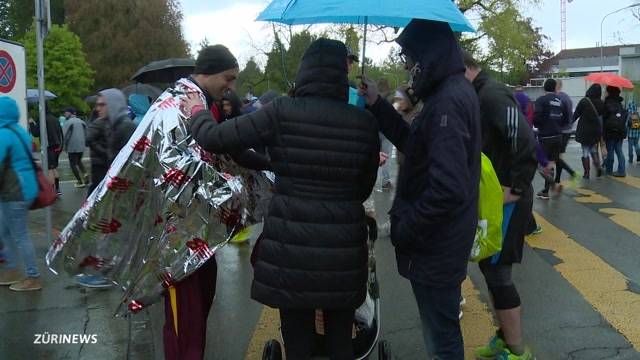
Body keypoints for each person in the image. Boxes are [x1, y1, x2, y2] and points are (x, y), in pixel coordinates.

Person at [185, 38, 380, 360]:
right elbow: (363, 188)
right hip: (343, 249)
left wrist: (197, 111)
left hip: (291, 249)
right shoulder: (365, 123)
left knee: (298, 341)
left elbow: (214, 138)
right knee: (340, 342)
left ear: (304, 72)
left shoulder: (281, 112)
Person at [359, 19, 481, 359]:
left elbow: (448, 189)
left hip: (436, 244)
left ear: (428, 55)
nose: (408, 67)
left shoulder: (447, 103)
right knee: (439, 331)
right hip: (441, 242)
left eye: (409, 58)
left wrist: (406, 227)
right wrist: (378, 104)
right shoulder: (447, 94)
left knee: (441, 340)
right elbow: (417, 145)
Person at [463, 51, 537, 360]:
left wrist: (516, 188)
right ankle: (505, 338)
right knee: (489, 268)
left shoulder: (492, 94)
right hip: (493, 198)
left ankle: (518, 352)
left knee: (498, 274)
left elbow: (525, 139)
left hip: (508, 198)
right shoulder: (477, 94)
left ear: (464, 68)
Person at [0, 97, 41, 291]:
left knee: (19, 235)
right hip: (25, 189)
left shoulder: (3, 134)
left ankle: (33, 277)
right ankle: (13, 269)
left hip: (14, 192)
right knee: (6, 232)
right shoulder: (20, 131)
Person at [86, 89, 137, 195]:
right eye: (97, 105)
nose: (97, 109)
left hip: (121, 189)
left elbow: (129, 164)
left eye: (102, 105)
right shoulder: (112, 124)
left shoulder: (125, 126)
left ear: (113, 104)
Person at [533, 79, 566, 200]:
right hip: (558, 136)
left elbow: (536, 118)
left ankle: (552, 185)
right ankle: (546, 191)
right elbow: (566, 118)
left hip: (545, 137)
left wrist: (539, 125)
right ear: (555, 88)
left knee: (541, 165)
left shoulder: (541, 100)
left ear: (544, 88)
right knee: (550, 164)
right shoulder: (560, 101)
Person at [29, 105, 63, 196]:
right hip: (57, 147)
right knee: (54, 168)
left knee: (49, 169)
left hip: (48, 146)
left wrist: (31, 123)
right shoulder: (55, 119)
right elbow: (60, 132)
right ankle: (57, 189)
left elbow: (35, 133)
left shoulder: (43, 119)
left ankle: (51, 191)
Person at [574, 84, 605, 178]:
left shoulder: (584, 101)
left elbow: (576, 114)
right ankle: (598, 166)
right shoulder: (601, 103)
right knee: (593, 149)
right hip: (595, 130)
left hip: (584, 130)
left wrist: (568, 123)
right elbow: (603, 116)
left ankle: (586, 173)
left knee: (585, 151)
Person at [553, 80, 579, 185]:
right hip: (568, 130)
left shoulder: (558, 98)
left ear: (555, 87)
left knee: (554, 156)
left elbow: (559, 115)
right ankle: (558, 179)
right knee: (559, 155)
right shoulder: (567, 97)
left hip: (561, 130)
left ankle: (571, 172)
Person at [602, 86, 627, 177]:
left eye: (606, 91)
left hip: (610, 132)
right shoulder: (620, 103)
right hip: (620, 131)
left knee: (611, 151)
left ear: (609, 92)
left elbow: (603, 118)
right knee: (619, 151)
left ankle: (609, 170)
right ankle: (622, 170)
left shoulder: (607, 103)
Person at [62, 107, 89, 188]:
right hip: (81, 145)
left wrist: (64, 147)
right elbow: (86, 133)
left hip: (72, 146)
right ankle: (85, 174)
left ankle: (79, 181)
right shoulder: (82, 122)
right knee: (79, 161)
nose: (64, 114)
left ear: (70, 113)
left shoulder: (68, 123)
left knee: (73, 164)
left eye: (66, 112)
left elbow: (65, 135)